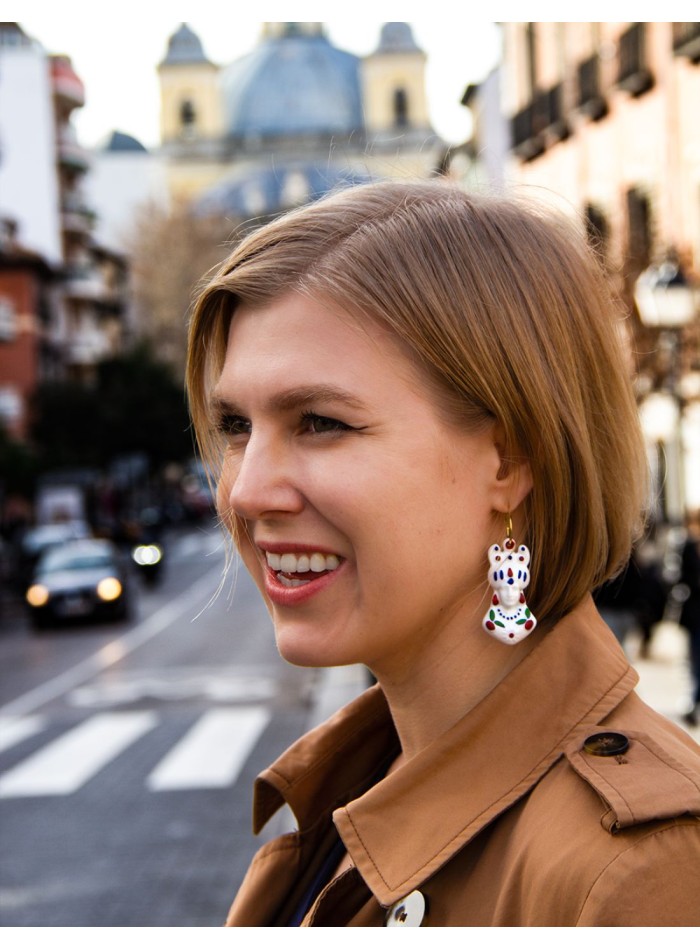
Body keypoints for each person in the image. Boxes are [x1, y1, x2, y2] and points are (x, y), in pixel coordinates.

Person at [186, 181, 700, 927]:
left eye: (321, 422)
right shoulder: (355, 787)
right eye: (237, 425)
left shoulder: (646, 872)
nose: (247, 490)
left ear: (510, 460)